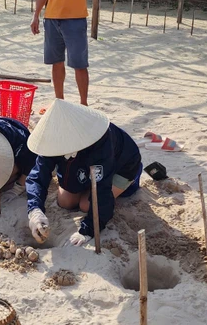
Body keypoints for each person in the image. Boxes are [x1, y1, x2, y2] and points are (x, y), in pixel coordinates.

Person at [25, 99, 142, 246]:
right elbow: (37, 175)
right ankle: (84, 184)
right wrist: (35, 210)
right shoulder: (52, 137)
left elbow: (102, 188)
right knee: (65, 202)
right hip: (81, 164)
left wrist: (88, 230)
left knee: (86, 205)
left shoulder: (100, 142)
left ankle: (130, 180)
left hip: (122, 165)